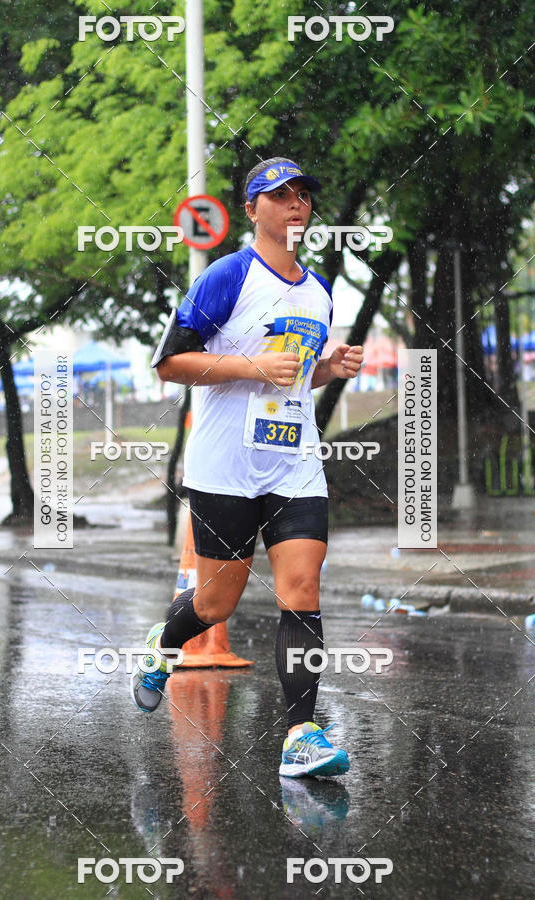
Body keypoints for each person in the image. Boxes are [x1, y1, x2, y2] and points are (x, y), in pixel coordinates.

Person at [132, 157, 364, 778]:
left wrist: (326, 368)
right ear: (253, 209)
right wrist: (250, 367)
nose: (296, 206)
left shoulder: (319, 290)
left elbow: (296, 375)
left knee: (302, 591)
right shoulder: (228, 277)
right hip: (223, 468)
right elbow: (170, 364)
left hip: (294, 465)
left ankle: (301, 737)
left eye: (304, 196)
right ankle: (165, 643)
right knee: (214, 604)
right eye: (280, 196)